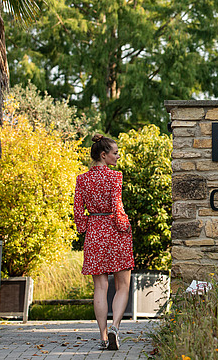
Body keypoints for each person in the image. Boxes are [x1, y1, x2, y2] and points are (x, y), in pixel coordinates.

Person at [73, 134, 134, 350]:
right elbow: (117, 206)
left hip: (95, 231)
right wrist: (124, 226)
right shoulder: (115, 177)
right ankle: (116, 326)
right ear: (103, 155)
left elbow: (78, 211)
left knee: (100, 287)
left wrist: (84, 229)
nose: (118, 156)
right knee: (123, 285)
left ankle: (103, 336)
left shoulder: (82, 179)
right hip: (116, 230)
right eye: (115, 153)